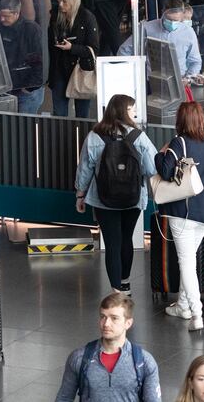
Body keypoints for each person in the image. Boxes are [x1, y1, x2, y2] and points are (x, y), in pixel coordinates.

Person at [155, 102, 204, 331]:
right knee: (189, 258)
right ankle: (183, 306)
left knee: (186, 261)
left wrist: (161, 153)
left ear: (181, 120)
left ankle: (196, 313)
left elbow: (166, 171)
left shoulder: (179, 143)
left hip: (184, 212)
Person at [74, 95, 157, 294]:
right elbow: (152, 167)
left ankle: (116, 290)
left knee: (112, 242)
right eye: (131, 109)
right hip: (133, 198)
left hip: (103, 199)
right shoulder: (138, 136)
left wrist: (80, 194)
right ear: (122, 111)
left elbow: (84, 169)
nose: (133, 113)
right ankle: (125, 282)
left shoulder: (95, 136)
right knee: (126, 239)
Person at [55, 294, 162, 402]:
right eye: (103, 317)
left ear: (128, 323)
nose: (106, 323)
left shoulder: (144, 362)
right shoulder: (79, 358)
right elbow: (64, 398)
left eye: (114, 318)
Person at [118, 0, 201, 81]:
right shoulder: (147, 28)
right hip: (150, 80)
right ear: (163, 13)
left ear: (182, 15)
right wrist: (130, 74)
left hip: (179, 81)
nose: (172, 23)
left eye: (176, 20)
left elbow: (195, 60)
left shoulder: (188, 32)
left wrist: (188, 78)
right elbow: (125, 50)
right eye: (169, 19)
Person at [49, 0, 99, 118]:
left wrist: (72, 48)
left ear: (73, 1)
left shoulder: (87, 18)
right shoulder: (55, 17)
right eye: (59, 1)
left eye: (64, 1)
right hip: (60, 69)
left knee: (82, 115)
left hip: (81, 70)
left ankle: (80, 138)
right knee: (59, 114)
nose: (60, 5)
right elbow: (50, 48)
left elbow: (93, 50)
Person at [0, 0, 46, 113]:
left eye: (6, 16)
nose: (2, 19)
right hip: (10, 86)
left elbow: (40, 62)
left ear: (16, 14)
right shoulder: (0, 28)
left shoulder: (32, 30)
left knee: (25, 126)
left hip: (28, 90)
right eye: (0, 15)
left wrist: (30, 88)